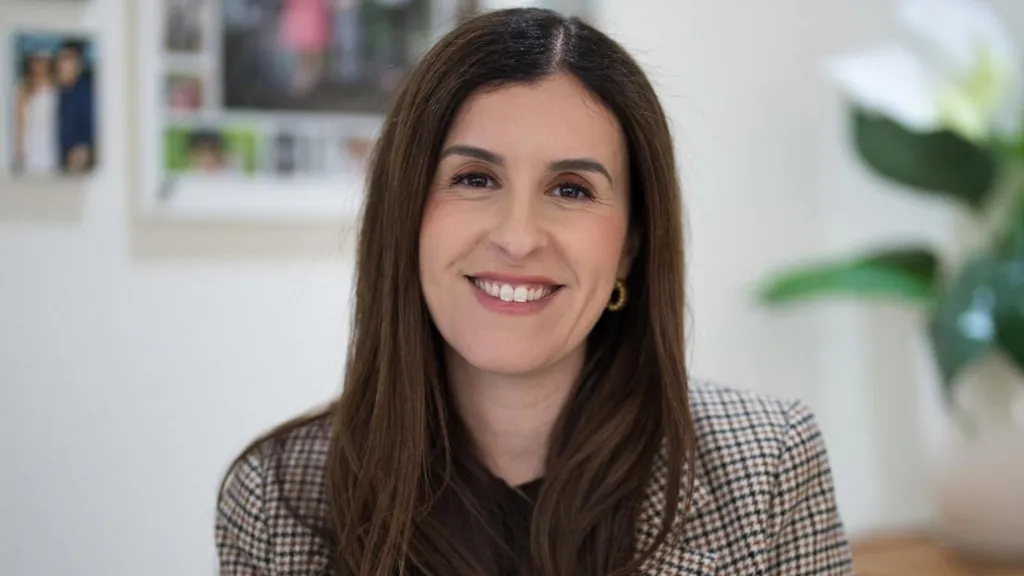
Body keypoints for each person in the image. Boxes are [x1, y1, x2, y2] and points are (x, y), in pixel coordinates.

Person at [216, 8, 853, 575]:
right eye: (473, 178)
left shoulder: (770, 466)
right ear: (403, 215)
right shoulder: (275, 498)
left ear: (630, 243)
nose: (519, 238)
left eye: (571, 189)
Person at [13, 51, 59, 175]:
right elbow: (19, 122)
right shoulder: (22, 89)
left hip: (49, 147)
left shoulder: (56, 90)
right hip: (28, 148)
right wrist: (19, 149)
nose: (39, 66)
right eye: (36, 61)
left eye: (43, 62)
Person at [55, 40, 95, 174]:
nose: (60, 64)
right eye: (59, 59)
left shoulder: (85, 95)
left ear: (78, 65)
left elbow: (82, 150)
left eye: (66, 59)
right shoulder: (57, 92)